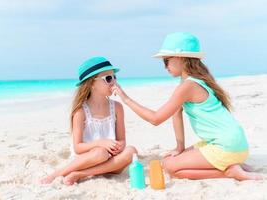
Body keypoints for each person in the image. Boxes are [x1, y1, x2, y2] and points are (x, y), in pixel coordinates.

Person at [112, 32, 262, 181]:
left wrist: (125, 98)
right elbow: (176, 114)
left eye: (166, 60)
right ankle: (234, 163)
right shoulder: (195, 81)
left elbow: (155, 119)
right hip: (236, 144)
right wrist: (179, 147)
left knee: (170, 166)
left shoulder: (188, 86)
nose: (165, 67)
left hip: (226, 146)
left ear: (181, 58)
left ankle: (230, 172)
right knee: (175, 157)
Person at [41, 56, 137, 185]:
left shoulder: (117, 108)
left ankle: (80, 174)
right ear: (92, 84)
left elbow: (122, 140)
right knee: (100, 153)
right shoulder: (81, 112)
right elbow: (78, 148)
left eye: (114, 77)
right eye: (108, 78)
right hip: (88, 159)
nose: (114, 82)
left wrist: (119, 146)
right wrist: (101, 143)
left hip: (110, 162)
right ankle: (57, 174)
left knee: (131, 151)